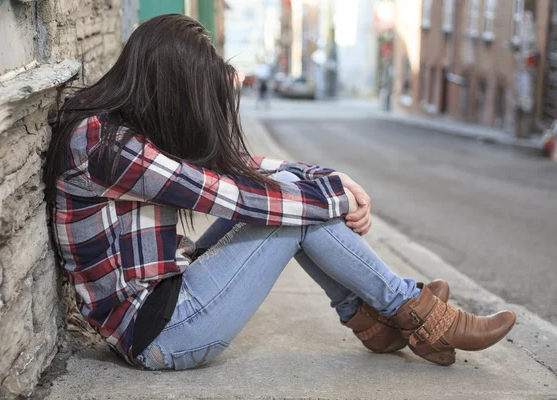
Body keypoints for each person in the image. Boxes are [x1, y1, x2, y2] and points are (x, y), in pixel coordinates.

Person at [43, 14, 515, 371]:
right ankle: (412, 314)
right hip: (159, 335)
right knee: (288, 208)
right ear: (168, 86)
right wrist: (335, 197)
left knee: (292, 195)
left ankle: (382, 318)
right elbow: (231, 195)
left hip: (167, 300)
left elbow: (229, 165)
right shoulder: (104, 146)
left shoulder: (119, 126)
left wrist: (327, 177)